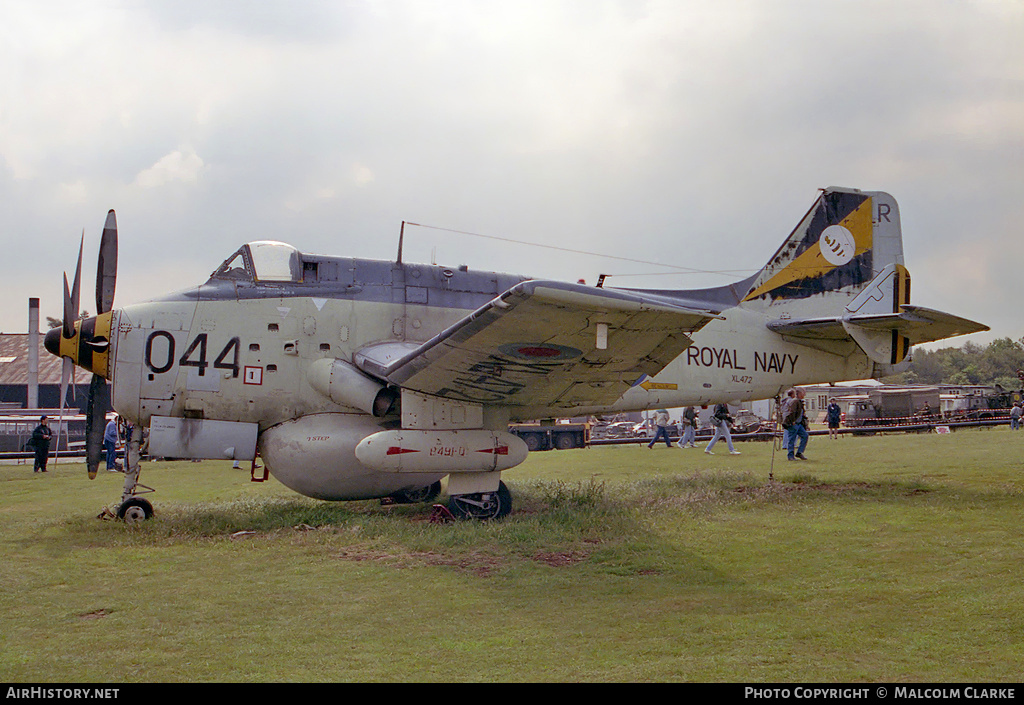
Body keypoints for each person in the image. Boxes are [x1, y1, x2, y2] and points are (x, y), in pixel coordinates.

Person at [782, 388, 809, 460]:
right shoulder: (795, 401)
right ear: (799, 393)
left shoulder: (799, 401)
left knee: (805, 436)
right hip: (794, 424)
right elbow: (791, 412)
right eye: (803, 392)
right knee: (791, 440)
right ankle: (790, 456)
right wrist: (792, 421)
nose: (804, 394)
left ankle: (799, 452)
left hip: (799, 424)